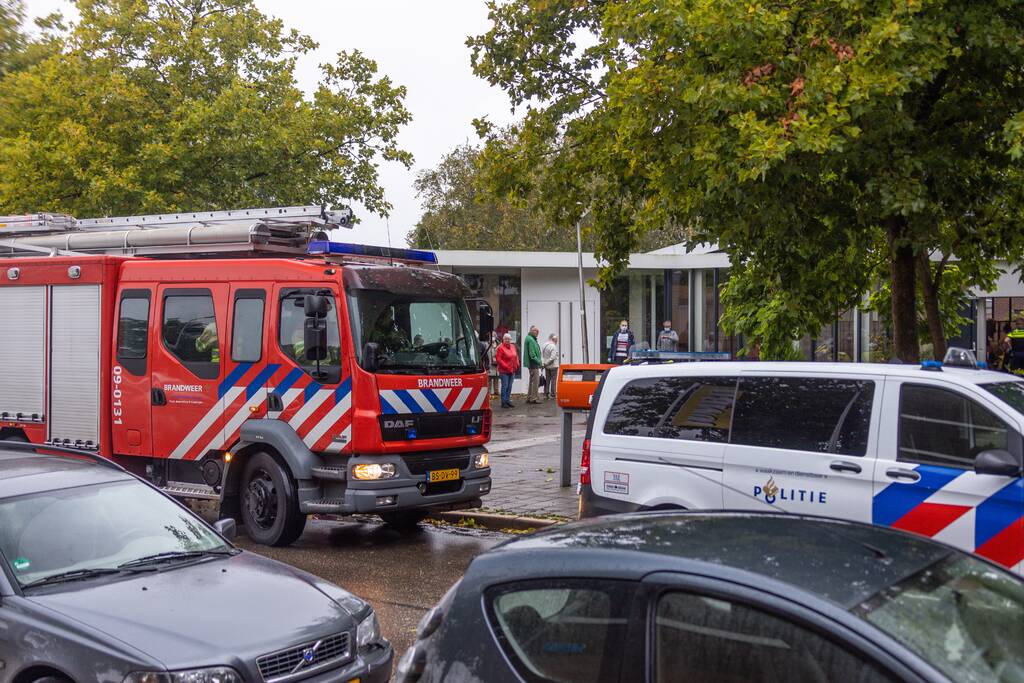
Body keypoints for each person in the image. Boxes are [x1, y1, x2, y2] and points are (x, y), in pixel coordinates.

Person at [496, 333, 520, 408]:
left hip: (512, 370)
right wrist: (506, 366)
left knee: (509, 386)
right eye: (506, 339)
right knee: (505, 386)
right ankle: (503, 402)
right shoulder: (500, 348)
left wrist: (517, 364)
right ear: (503, 339)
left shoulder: (513, 346)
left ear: (510, 340)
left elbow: (516, 356)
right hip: (504, 371)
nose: (507, 340)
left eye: (509, 339)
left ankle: (507, 400)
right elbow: (498, 359)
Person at [524, 325, 543, 403]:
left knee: (532, 381)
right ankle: (533, 398)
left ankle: (529, 397)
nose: (537, 332)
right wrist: (539, 362)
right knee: (535, 381)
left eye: (538, 331)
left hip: (531, 364)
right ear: (531, 331)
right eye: (536, 331)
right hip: (533, 364)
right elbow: (532, 355)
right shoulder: (531, 340)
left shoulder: (529, 338)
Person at [542, 333, 559, 399]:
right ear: (553, 339)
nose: (557, 341)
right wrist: (547, 363)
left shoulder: (544, 345)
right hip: (553, 366)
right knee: (553, 381)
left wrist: (544, 364)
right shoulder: (553, 346)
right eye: (556, 340)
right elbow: (552, 358)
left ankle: (546, 394)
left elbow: (542, 356)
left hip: (546, 366)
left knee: (547, 380)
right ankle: (553, 395)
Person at [486, 332, 499, 398]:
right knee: (489, 379)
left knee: (496, 378)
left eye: (494, 335)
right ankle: (489, 393)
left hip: (496, 364)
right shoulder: (486, 344)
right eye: (492, 335)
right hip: (489, 364)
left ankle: (496, 392)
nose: (493, 336)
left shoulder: (498, 343)